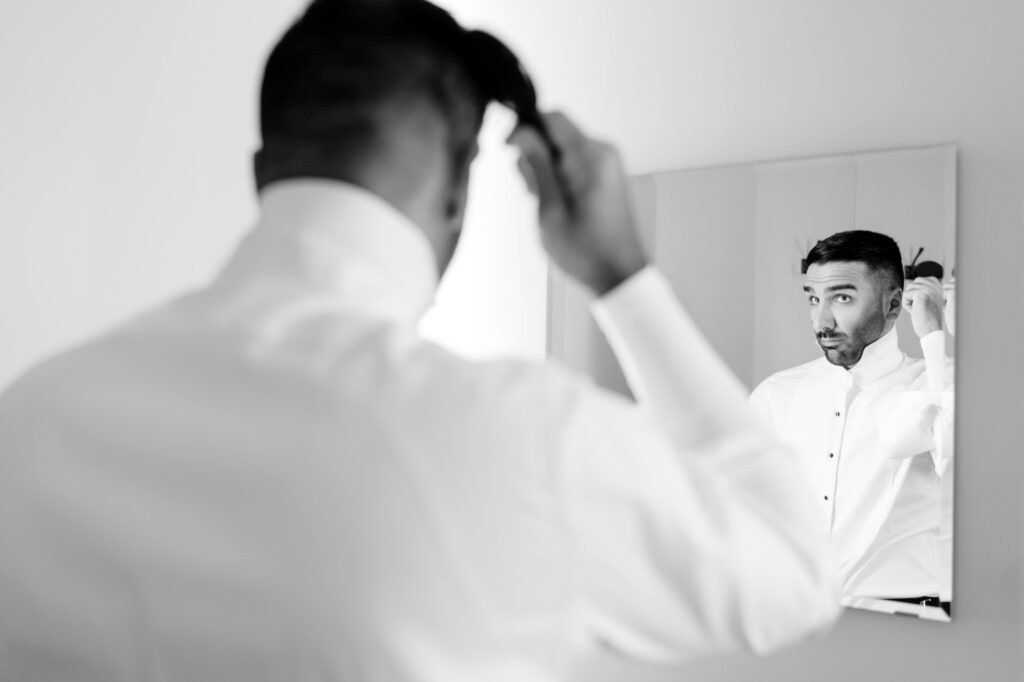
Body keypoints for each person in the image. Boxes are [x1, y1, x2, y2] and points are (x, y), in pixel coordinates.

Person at [0, 1, 838, 680]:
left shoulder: (33, 413)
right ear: (457, 190)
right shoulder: (518, 437)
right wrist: (625, 278)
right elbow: (795, 575)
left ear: (263, 172)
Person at [750, 229, 954, 612]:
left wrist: (933, 337)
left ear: (893, 305)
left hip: (912, 623)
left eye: (842, 297)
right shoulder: (776, 395)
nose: (822, 320)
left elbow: (956, 449)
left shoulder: (936, 384)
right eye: (814, 298)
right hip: (795, 615)